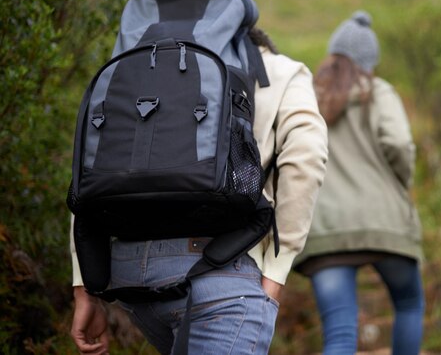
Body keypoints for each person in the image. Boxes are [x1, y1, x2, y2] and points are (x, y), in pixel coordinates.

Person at [70, 27, 328, 355]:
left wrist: (83, 285)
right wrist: (277, 271)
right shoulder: (282, 71)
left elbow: (90, 171)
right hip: (222, 270)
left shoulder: (141, 70)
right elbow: (306, 154)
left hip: (129, 275)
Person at [293, 11, 425, 355]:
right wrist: (401, 183)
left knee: (338, 334)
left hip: (325, 229)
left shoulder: (306, 96)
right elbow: (398, 143)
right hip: (385, 221)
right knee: (409, 305)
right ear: (370, 60)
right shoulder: (378, 91)